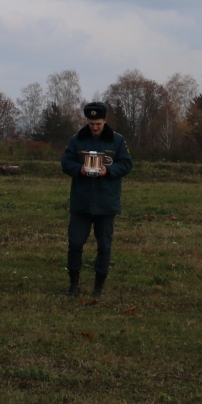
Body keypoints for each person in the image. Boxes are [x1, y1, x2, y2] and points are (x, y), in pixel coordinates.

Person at [60, 101, 133, 298]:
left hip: (106, 203)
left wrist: (108, 170)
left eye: (98, 123)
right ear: (87, 121)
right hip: (81, 203)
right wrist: (79, 169)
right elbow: (65, 162)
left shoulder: (117, 141)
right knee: (75, 243)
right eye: (91, 123)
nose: (94, 127)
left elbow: (127, 164)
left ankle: (98, 288)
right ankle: (74, 285)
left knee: (104, 246)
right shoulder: (76, 140)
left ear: (105, 121)